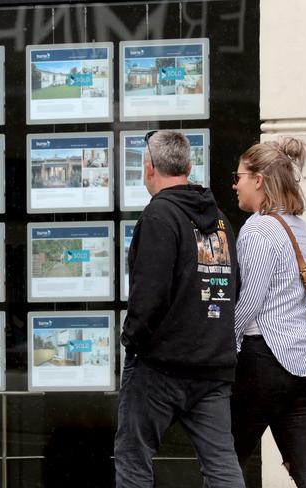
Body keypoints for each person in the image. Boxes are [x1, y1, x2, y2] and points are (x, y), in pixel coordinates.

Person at [114, 130, 245, 488]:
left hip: (160, 365)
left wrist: (132, 340)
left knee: (133, 457)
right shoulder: (220, 221)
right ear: (188, 166)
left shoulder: (159, 216)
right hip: (212, 365)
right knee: (221, 463)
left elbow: (149, 295)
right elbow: (235, 285)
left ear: (149, 168)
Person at [231, 138, 306, 487]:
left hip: (265, 363)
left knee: (223, 463)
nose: (234, 184)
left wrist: (222, 341)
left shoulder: (257, 228)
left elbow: (249, 303)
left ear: (258, 180)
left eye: (239, 176)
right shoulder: (299, 228)